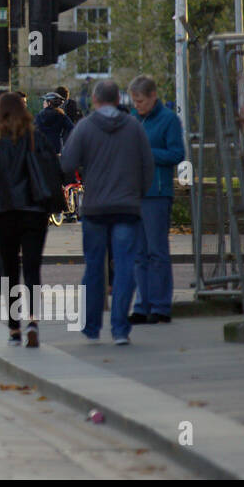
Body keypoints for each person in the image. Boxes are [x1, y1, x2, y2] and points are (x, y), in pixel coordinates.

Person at [60, 80, 154, 345]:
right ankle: (120, 328)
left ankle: (91, 327)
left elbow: (67, 162)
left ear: (95, 99)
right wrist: (137, 194)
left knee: (93, 267)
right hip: (126, 207)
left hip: (95, 207)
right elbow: (148, 167)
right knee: (125, 266)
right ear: (118, 99)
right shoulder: (134, 128)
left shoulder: (85, 127)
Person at [0, 92, 60, 347]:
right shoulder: (37, 138)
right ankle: (33, 320)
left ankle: (13, 328)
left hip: (3, 213)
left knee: (9, 271)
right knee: (32, 268)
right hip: (34, 212)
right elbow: (53, 172)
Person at [128, 75, 185, 325]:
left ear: (153, 97)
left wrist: (146, 153)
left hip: (157, 193)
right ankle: (142, 304)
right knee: (139, 253)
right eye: (134, 101)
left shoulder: (168, 119)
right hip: (135, 193)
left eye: (140, 101)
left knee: (157, 252)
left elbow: (176, 153)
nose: (137, 105)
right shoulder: (133, 119)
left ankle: (161, 305)